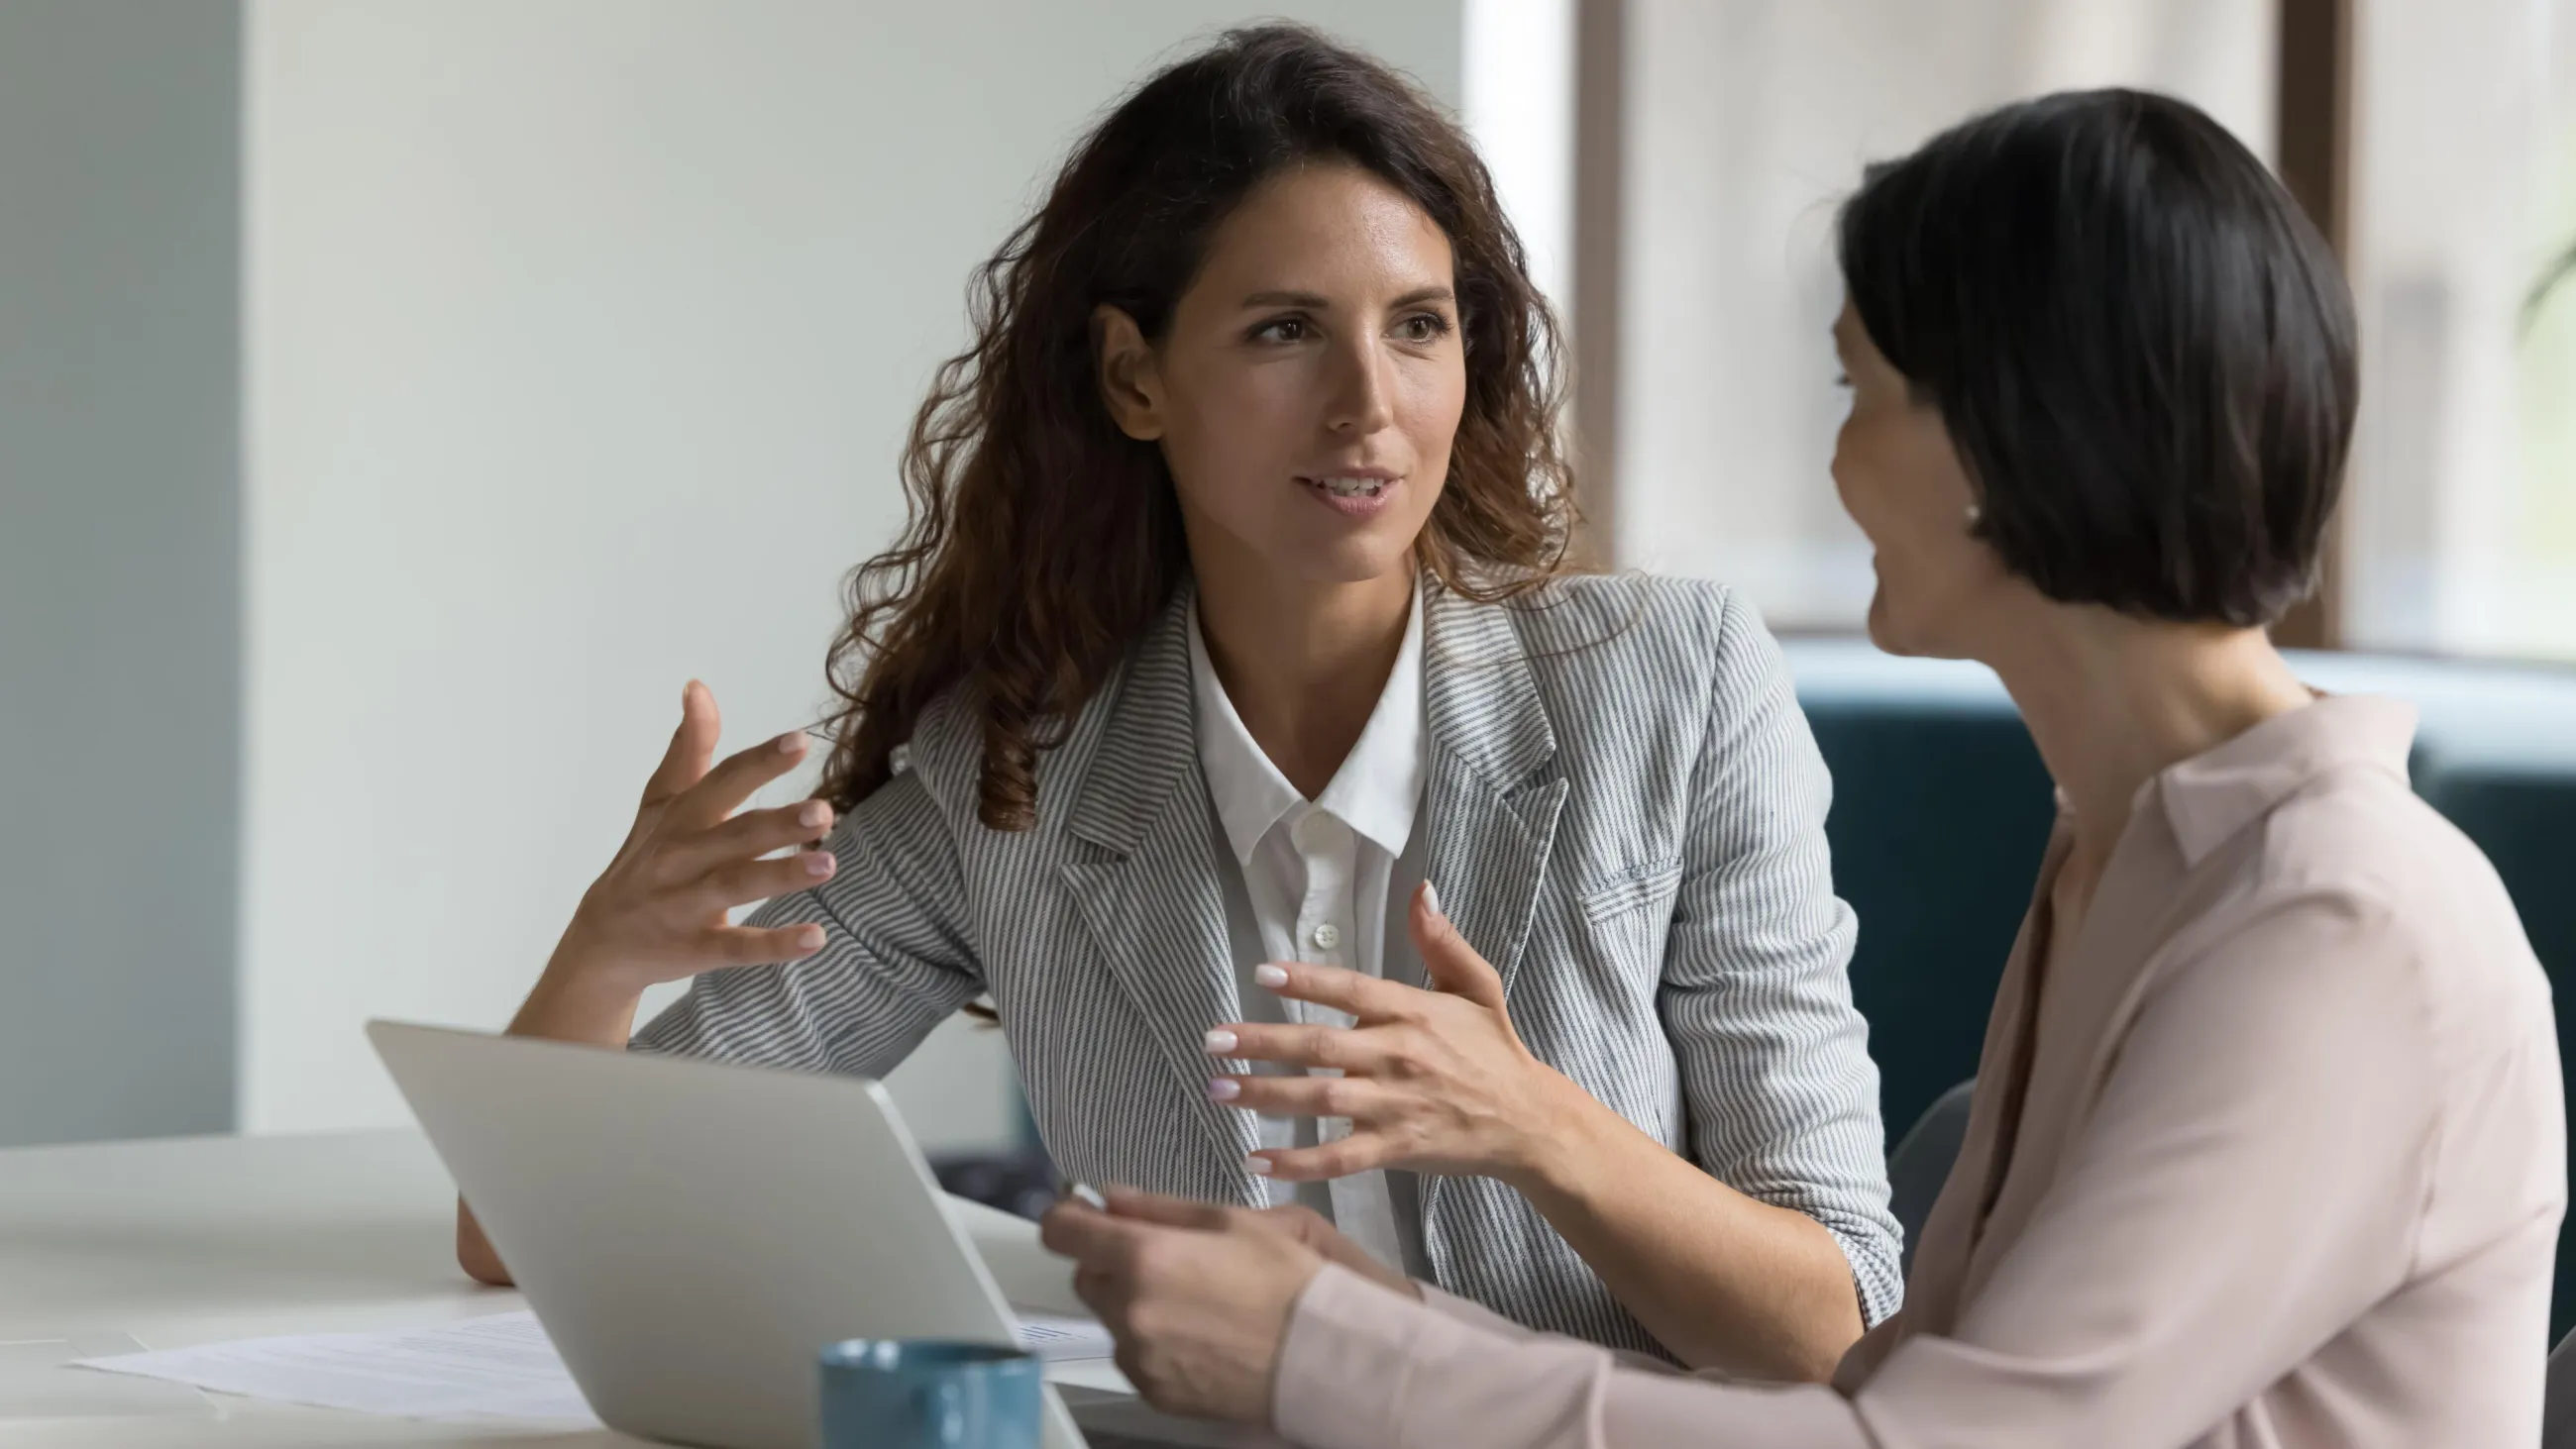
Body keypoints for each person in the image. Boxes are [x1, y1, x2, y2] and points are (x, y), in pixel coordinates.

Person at [1040, 87, 2569, 1446]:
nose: (1835, 465)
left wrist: (1328, 1353)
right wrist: (1351, 1302)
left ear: (2006, 442)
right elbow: (1882, 1385)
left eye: (1861, 396)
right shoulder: (2127, 853)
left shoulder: (2336, 921)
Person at [456, 24, 1904, 1380]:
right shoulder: (1011, 777)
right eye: (1285, 331)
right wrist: (603, 953)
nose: (1368, 404)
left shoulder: (1672, 683)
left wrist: (1543, 1131)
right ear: (1133, 376)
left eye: (1418, 325)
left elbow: (1841, 1323)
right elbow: (521, 1230)